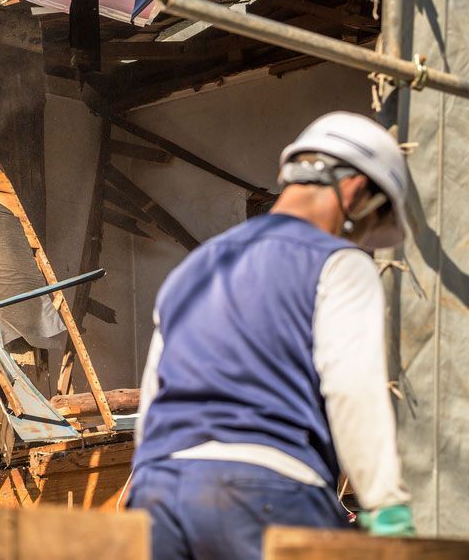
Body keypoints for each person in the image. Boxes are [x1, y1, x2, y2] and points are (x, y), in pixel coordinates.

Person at [128, 112, 415, 560]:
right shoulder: (338, 262)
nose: (358, 238)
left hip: (159, 494)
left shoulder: (193, 270)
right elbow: (352, 386)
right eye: (365, 223)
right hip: (268, 493)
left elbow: (152, 401)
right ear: (357, 190)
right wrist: (385, 505)